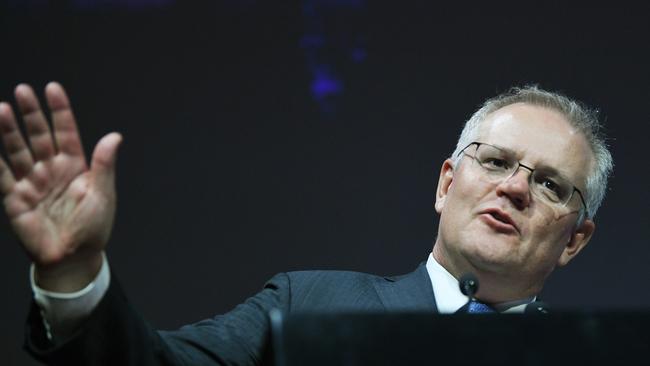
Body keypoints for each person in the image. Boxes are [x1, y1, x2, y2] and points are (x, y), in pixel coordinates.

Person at [0, 82, 613, 365]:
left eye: (549, 184)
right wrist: (75, 272)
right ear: (447, 183)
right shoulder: (306, 304)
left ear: (574, 241)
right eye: (498, 162)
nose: (513, 187)